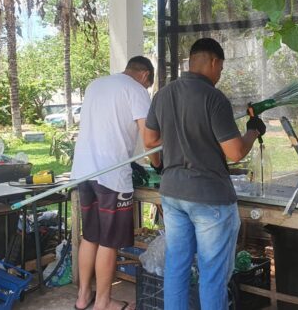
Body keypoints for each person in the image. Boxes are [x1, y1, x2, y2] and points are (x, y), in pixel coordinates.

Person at [143, 38, 266, 310]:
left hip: (173, 194)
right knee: (212, 275)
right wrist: (252, 131)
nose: (220, 75)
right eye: (220, 68)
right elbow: (234, 152)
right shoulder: (213, 97)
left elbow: (150, 140)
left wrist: (160, 166)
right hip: (209, 198)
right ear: (214, 61)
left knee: (177, 267)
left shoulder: (163, 94)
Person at [72, 56, 159, 310]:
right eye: (149, 83)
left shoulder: (96, 84)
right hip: (111, 176)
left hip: (84, 172)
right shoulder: (137, 90)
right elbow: (149, 137)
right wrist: (158, 163)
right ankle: (103, 303)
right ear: (145, 75)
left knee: (90, 237)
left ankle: (82, 297)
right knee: (109, 242)